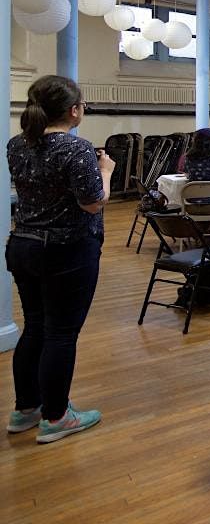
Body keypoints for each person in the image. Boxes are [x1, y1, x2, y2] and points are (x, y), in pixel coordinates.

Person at [7, 75, 113, 443]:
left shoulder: (17, 144)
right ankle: (56, 416)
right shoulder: (75, 148)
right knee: (61, 333)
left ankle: (26, 408)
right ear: (74, 111)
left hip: (24, 244)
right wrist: (106, 172)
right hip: (66, 249)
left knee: (35, 326)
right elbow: (93, 202)